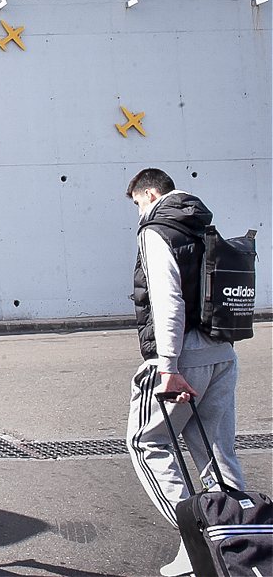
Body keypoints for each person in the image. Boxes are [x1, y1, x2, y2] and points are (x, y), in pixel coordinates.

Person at [124, 168, 247, 577]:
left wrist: (168, 366)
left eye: (138, 203)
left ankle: (200, 539)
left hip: (184, 356)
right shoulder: (204, 226)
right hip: (222, 351)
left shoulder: (157, 229)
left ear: (150, 193)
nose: (139, 212)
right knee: (216, 452)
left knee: (147, 442)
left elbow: (168, 301)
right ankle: (240, 548)